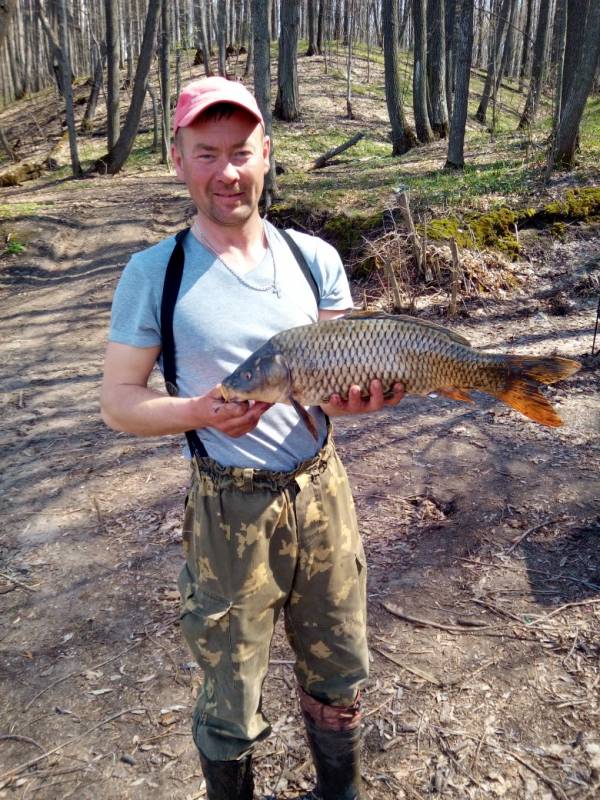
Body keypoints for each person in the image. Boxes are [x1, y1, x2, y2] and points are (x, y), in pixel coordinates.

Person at [100, 76, 404, 800]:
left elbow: (338, 379)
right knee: (230, 695)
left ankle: (342, 790)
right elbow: (118, 402)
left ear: (267, 154)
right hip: (227, 511)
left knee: (339, 670)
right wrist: (198, 412)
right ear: (179, 160)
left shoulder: (314, 258)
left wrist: (365, 401)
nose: (227, 172)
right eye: (207, 153)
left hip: (322, 492)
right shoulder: (154, 274)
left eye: (241, 151)